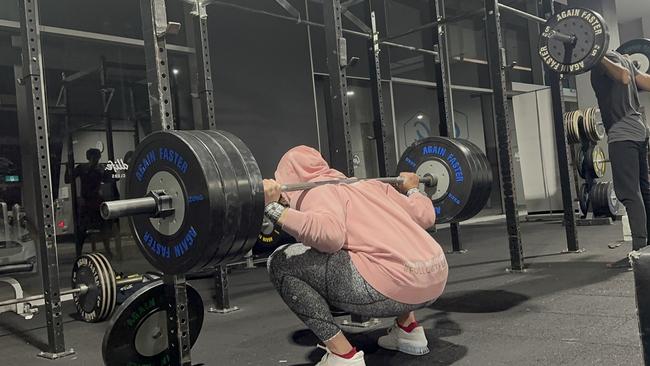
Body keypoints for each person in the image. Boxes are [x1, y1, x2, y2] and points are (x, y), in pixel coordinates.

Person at [263, 146, 448, 366]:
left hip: (393, 288)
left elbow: (330, 236)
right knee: (385, 245)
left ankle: (342, 355)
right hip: (435, 280)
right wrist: (413, 189)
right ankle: (408, 330)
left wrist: (273, 207)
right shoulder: (371, 185)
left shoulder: (316, 192)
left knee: (281, 262)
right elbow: (425, 216)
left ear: (288, 177)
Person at [591, 50, 650, 251]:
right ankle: (647, 247)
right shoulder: (624, 57)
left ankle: (639, 250)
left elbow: (623, 77)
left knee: (629, 193)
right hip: (640, 130)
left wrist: (596, 56)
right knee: (643, 190)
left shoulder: (603, 60)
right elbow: (647, 82)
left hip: (622, 132)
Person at [65, 148, 115, 258]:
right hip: (87, 202)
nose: (95, 160)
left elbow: (111, 179)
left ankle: (107, 249)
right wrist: (68, 167)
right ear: (88, 158)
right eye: (93, 157)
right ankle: (79, 253)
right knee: (82, 230)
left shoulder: (99, 168)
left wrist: (111, 169)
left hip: (96, 201)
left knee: (104, 227)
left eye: (96, 157)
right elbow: (68, 179)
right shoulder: (83, 168)